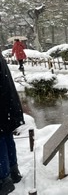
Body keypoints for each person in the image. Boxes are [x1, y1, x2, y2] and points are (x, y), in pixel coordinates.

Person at [0, 52, 25, 194]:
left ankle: (4, 180)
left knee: (2, 141)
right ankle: (13, 172)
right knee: (6, 138)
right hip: (7, 106)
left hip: (3, 107)